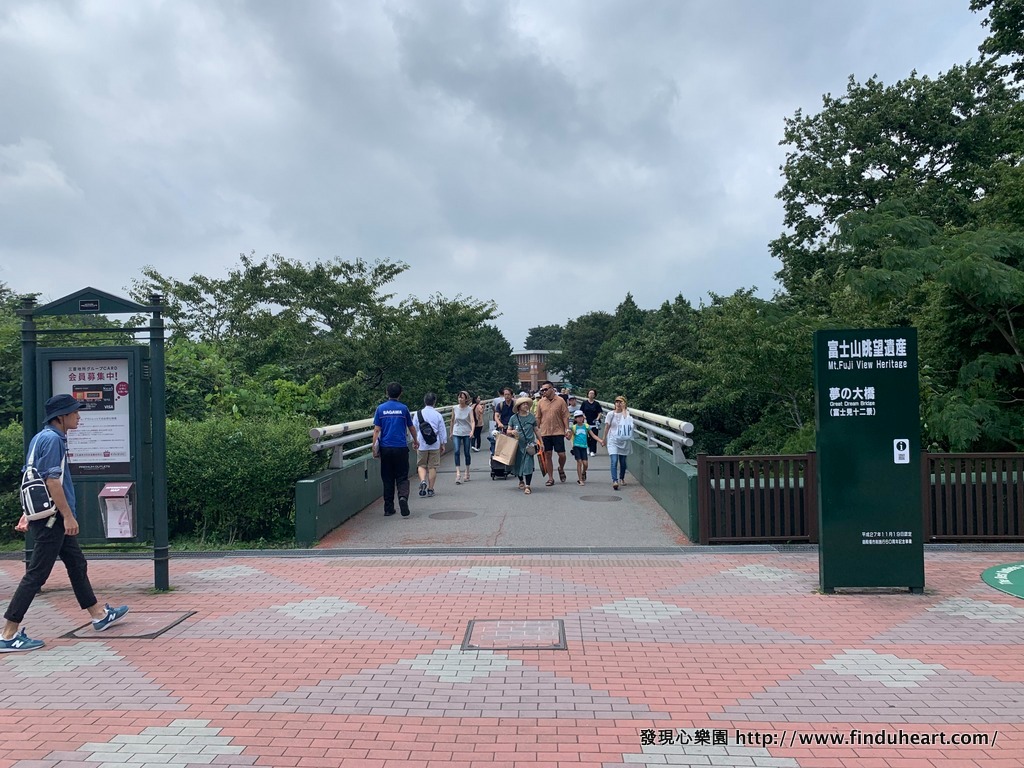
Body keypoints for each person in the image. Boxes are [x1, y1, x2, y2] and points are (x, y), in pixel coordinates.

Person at [2, 394, 129, 653]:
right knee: (36, 574)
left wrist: (29, 512)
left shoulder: (41, 438)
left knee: (76, 563)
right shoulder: (53, 440)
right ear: (61, 417)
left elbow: (31, 477)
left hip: (47, 516)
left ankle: (98, 615)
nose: (78, 416)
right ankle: (8, 634)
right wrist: (67, 515)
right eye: (74, 412)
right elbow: (51, 482)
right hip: (54, 519)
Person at [372, 382, 418, 517]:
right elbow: (411, 427)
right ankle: (403, 497)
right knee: (402, 476)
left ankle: (388, 508)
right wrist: (416, 440)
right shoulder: (403, 409)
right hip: (401, 448)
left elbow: (376, 430)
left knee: (387, 478)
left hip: (386, 448)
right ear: (400, 393)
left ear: (387, 393)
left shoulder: (380, 409)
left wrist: (374, 447)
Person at [535, 380, 570, 486]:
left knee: (562, 454)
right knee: (548, 454)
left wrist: (567, 429)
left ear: (552, 389)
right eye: (542, 390)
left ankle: (561, 468)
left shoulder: (560, 401)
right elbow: (538, 417)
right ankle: (550, 478)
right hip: (545, 432)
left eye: (546, 389)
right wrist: (537, 431)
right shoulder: (541, 402)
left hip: (558, 431)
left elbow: (565, 416)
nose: (543, 391)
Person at [413, 393, 447, 498]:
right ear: (434, 402)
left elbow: (413, 428)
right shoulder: (437, 415)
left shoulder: (418, 414)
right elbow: (442, 430)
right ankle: (431, 489)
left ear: (424, 401)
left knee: (421, 465)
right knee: (432, 467)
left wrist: (414, 441)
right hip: (434, 443)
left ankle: (423, 481)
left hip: (421, 443)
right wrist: (443, 443)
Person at [507, 396, 540, 494]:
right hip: (517, 445)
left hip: (529, 445)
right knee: (518, 464)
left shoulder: (531, 417)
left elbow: (536, 429)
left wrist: (541, 441)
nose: (526, 405)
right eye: (523, 404)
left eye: (527, 404)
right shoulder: (513, 418)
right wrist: (512, 431)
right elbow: (507, 431)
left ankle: (528, 485)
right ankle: (521, 479)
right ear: (519, 406)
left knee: (528, 465)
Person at [603, 395, 635, 491]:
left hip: (624, 441)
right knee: (614, 460)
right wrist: (603, 439)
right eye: (617, 402)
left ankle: (622, 478)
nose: (618, 404)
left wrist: (624, 409)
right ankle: (615, 480)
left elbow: (626, 420)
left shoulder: (626, 413)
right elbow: (607, 427)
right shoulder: (610, 414)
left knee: (623, 462)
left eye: (620, 402)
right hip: (613, 440)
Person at [569, 409, 604, 485]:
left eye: (581, 417)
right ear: (575, 419)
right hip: (576, 446)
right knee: (579, 462)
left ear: (583, 417)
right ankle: (580, 479)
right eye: (578, 417)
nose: (580, 418)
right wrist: (567, 435)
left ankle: (583, 472)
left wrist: (600, 441)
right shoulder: (574, 427)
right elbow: (569, 437)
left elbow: (593, 435)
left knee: (585, 464)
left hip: (584, 447)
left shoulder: (586, 426)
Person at [450, 390, 476, 483]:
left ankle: (467, 471)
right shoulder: (455, 408)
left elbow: (472, 421)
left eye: (462, 397)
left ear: (466, 399)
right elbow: (452, 420)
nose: (460, 399)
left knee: (466, 452)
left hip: (466, 432)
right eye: (459, 397)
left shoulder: (469, 409)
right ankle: (458, 473)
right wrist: (451, 432)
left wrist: (472, 431)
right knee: (456, 451)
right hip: (456, 431)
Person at [580, 389, 604, 456]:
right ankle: (588, 447)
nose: (591, 395)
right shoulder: (584, 403)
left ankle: (593, 451)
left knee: (594, 437)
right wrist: (584, 417)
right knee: (587, 437)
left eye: (592, 393)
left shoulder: (596, 404)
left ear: (594, 395)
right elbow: (581, 411)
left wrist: (597, 419)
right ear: (588, 394)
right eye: (590, 393)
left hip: (594, 423)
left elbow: (600, 412)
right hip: (586, 422)